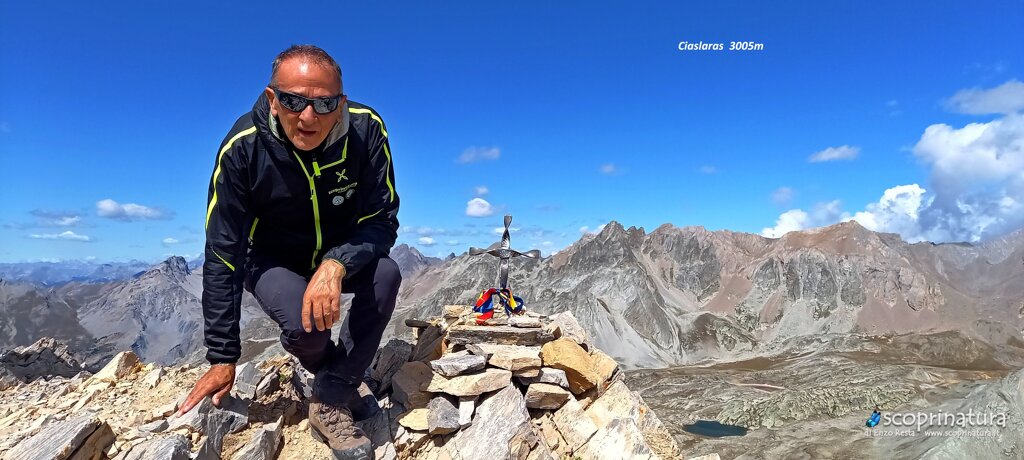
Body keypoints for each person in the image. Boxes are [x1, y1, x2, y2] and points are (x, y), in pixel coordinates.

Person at [177, 44, 401, 459]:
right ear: (272, 99)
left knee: (386, 275)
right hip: (270, 257)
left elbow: (381, 218)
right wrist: (223, 356)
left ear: (341, 104)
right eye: (294, 101)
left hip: (339, 251)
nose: (308, 116)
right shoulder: (242, 148)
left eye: (324, 103)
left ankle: (331, 397)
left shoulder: (367, 130)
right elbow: (223, 251)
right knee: (305, 328)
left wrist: (336, 263)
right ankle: (338, 373)